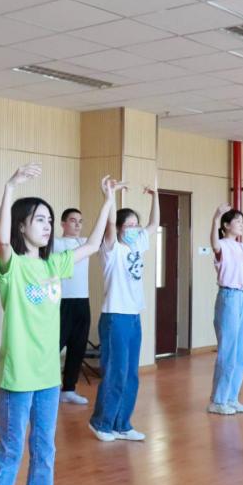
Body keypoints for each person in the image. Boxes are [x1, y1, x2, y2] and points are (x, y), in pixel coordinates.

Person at [0, 166, 116, 485]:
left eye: (50, 220)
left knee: (44, 451)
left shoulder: (54, 265)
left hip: (49, 377)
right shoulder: (11, 266)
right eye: (40, 219)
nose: (48, 226)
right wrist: (9, 186)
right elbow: (1, 239)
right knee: (11, 451)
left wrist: (108, 200)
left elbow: (93, 245)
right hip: (18, 377)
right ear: (22, 226)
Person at [88, 179, 159, 442]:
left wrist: (155, 196)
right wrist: (110, 197)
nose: (134, 229)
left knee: (131, 375)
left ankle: (122, 424)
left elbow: (153, 224)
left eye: (135, 225)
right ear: (119, 228)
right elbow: (108, 226)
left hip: (133, 317)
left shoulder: (138, 244)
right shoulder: (111, 249)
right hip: (114, 316)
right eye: (128, 225)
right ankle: (101, 423)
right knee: (115, 372)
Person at [208, 203, 243, 415]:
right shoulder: (221, 244)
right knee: (227, 351)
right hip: (228, 297)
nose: (241, 224)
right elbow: (213, 243)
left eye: (242, 221)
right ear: (226, 225)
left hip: (240, 298)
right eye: (237, 221)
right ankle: (217, 401)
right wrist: (216, 217)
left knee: (239, 353)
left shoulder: (242, 248)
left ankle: (231, 397)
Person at [55, 208, 92, 405]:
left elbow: (103, 233)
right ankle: (45, 387)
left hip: (82, 301)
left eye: (80, 221)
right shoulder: (54, 243)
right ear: (63, 224)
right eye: (72, 220)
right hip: (62, 301)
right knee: (54, 347)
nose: (77, 224)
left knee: (78, 347)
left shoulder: (85, 243)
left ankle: (68, 389)